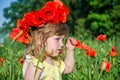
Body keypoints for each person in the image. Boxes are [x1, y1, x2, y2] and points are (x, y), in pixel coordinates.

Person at [9, 0, 77, 80]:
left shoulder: (54, 61)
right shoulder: (36, 64)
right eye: (57, 39)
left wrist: (69, 50)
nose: (62, 44)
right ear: (40, 40)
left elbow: (68, 69)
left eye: (62, 40)